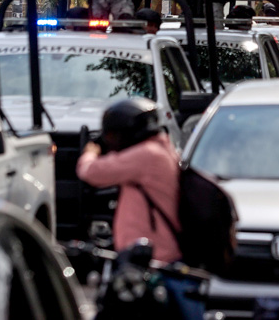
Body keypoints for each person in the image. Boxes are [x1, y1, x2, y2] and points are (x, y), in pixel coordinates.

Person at [76, 99, 202, 317]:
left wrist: (91, 151)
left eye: (114, 136)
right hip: (154, 258)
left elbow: (90, 172)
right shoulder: (162, 149)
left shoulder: (146, 156)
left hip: (152, 262)